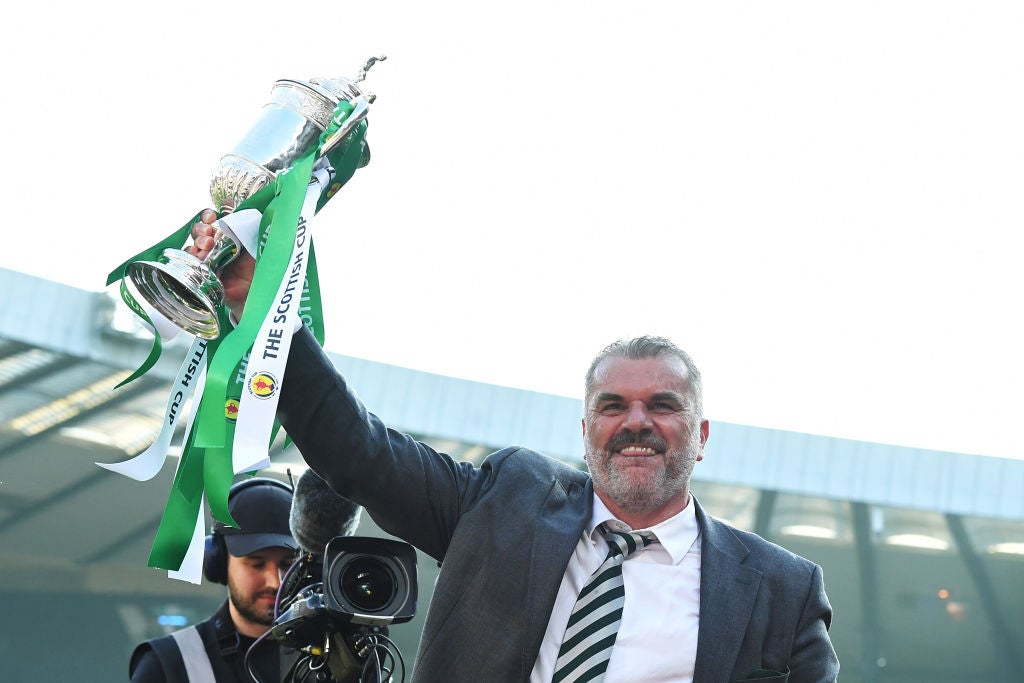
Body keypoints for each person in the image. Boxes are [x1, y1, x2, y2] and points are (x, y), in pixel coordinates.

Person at [188, 212, 840, 681]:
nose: (636, 421)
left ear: (699, 438)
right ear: (586, 433)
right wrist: (265, 313)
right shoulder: (507, 500)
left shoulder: (782, 589)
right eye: (612, 406)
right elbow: (360, 453)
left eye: (663, 405)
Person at [129, 477, 298, 683]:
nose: (275, 582)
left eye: (288, 564)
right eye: (257, 564)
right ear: (217, 562)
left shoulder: (337, 658)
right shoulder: (168, 665)